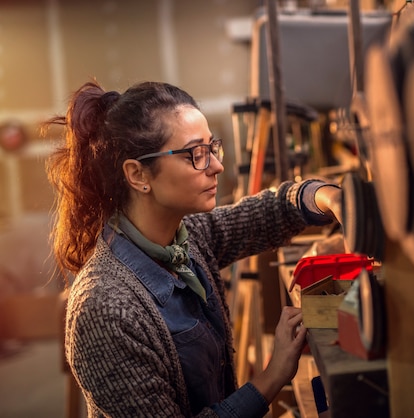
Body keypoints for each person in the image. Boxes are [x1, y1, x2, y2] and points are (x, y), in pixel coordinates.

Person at [44, 80, 343, 417]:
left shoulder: (184, 238)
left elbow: (271, 212)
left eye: (212, 148)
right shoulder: (105, 309)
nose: (216, 166)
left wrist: (330, 197)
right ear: (138, 174)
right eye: (195, 155)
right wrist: (273, 376)